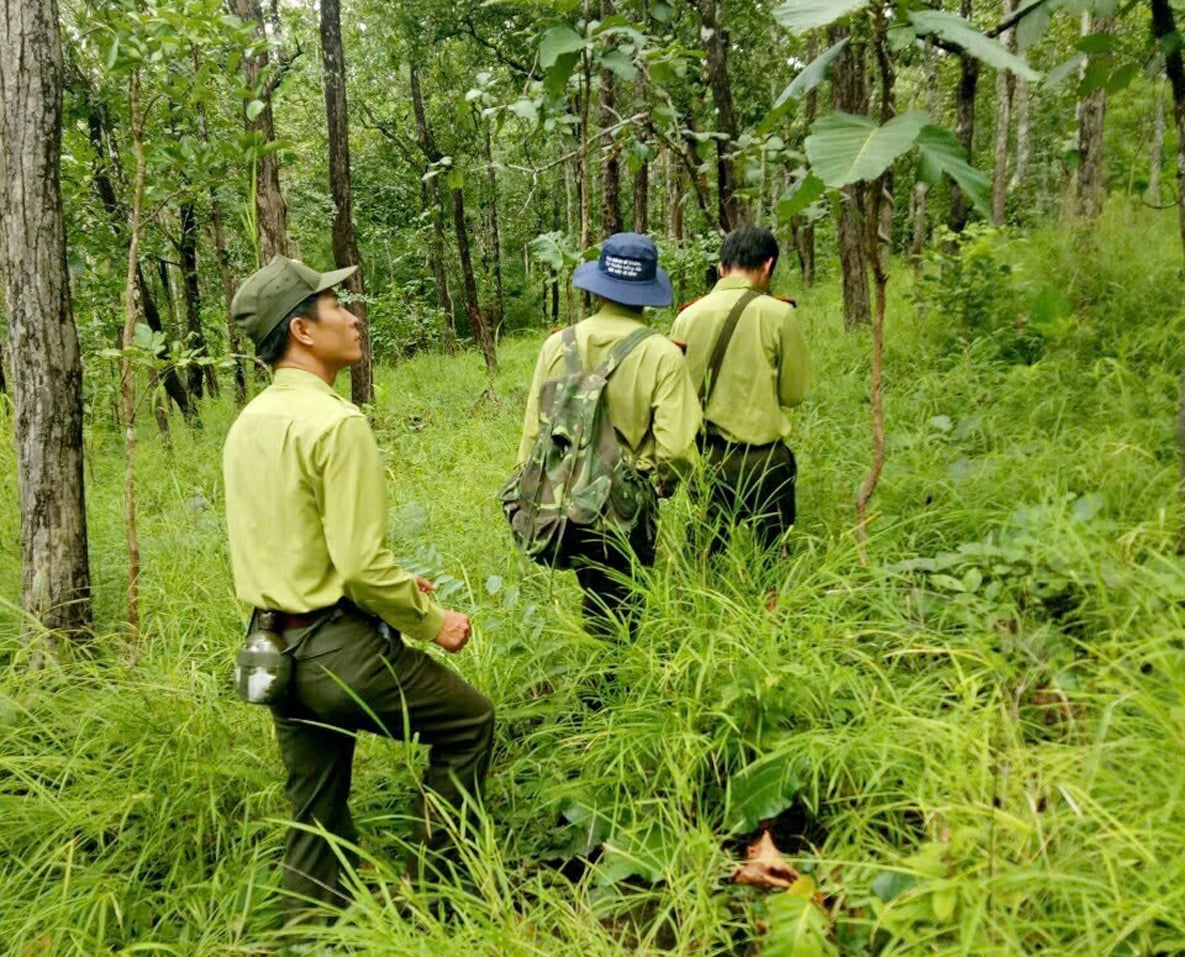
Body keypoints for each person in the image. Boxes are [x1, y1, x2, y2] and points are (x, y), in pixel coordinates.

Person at [222, 254, 494, 919]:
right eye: (336, 306)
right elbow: (360, 565)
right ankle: (445, 894)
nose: (353, 317)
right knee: (468, 723)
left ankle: (307, 927)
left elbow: (294, 541)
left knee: (314, 809)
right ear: (302, 331)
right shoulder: (336, 422)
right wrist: (432, 620)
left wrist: (382, 586)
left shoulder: (249, 422)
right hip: (337, 652)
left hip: (271, 649)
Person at [516, 233, 700, 636]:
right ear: (647, 291)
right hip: (624, 505)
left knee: (597, 591)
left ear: (599, 287)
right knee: (623, 602)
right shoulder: (663, 354)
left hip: (563, 498)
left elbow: (534, 430)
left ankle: (602, 662)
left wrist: (535, 494)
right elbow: (676, 449)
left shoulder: (556, 344)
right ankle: (611, 672)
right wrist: (663, 483)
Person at [670, 226, 810, 554]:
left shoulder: (687, 317)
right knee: (772, 558)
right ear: (767, 265)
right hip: (765, 462)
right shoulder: (779, 315)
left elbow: (677, 394)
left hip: (708, 459)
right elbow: (794, 394)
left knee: (705, 559)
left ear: (721, 267)